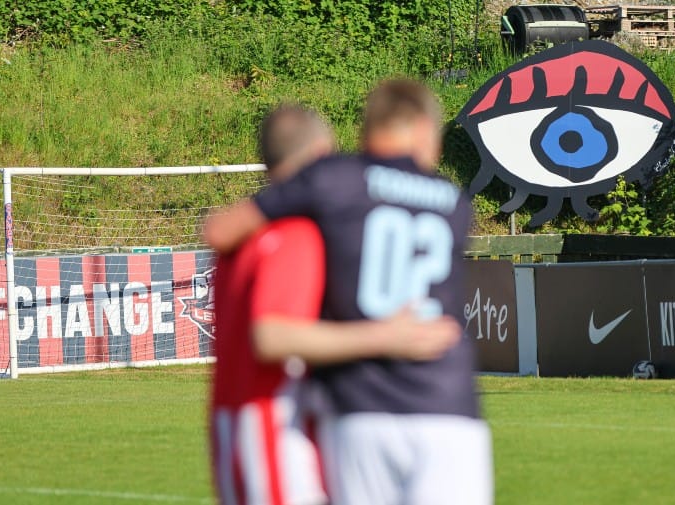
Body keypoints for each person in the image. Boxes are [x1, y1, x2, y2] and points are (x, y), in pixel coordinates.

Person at [205, 81, 494, 505]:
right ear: (420, 128)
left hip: (358, 406)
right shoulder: (454, 203)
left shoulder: (334, 178)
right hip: (444, 398)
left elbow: (219, 229)